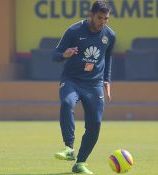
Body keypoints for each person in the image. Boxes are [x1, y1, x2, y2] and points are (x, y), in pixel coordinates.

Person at [52, 0, 115, 174]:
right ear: (91, 15)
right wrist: (64, 55)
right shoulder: (74, 31)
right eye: (100, 18)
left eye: (106, 19)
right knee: (66, 103)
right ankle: (68, 148)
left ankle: (80, 163)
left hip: (94, 84)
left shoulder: (110, 35)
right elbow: (54, 55)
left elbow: (108, 58)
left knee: (95, 124)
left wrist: (107, 80)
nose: (103, 22)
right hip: (72, 79)